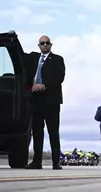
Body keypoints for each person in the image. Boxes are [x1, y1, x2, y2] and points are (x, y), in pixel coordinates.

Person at [24, 35, 66, 170]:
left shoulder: (58, 60)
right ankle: (37, 162)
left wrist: (44, 85)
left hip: (51, 100)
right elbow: (20, 56)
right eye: (42, 43)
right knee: (36, 131)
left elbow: (60, 77)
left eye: (47, 43)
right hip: (36, 100)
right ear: (39, 46)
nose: (45, 45)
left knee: (53, 131)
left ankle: (56, 162)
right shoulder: (34, 58)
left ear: (51, 45)